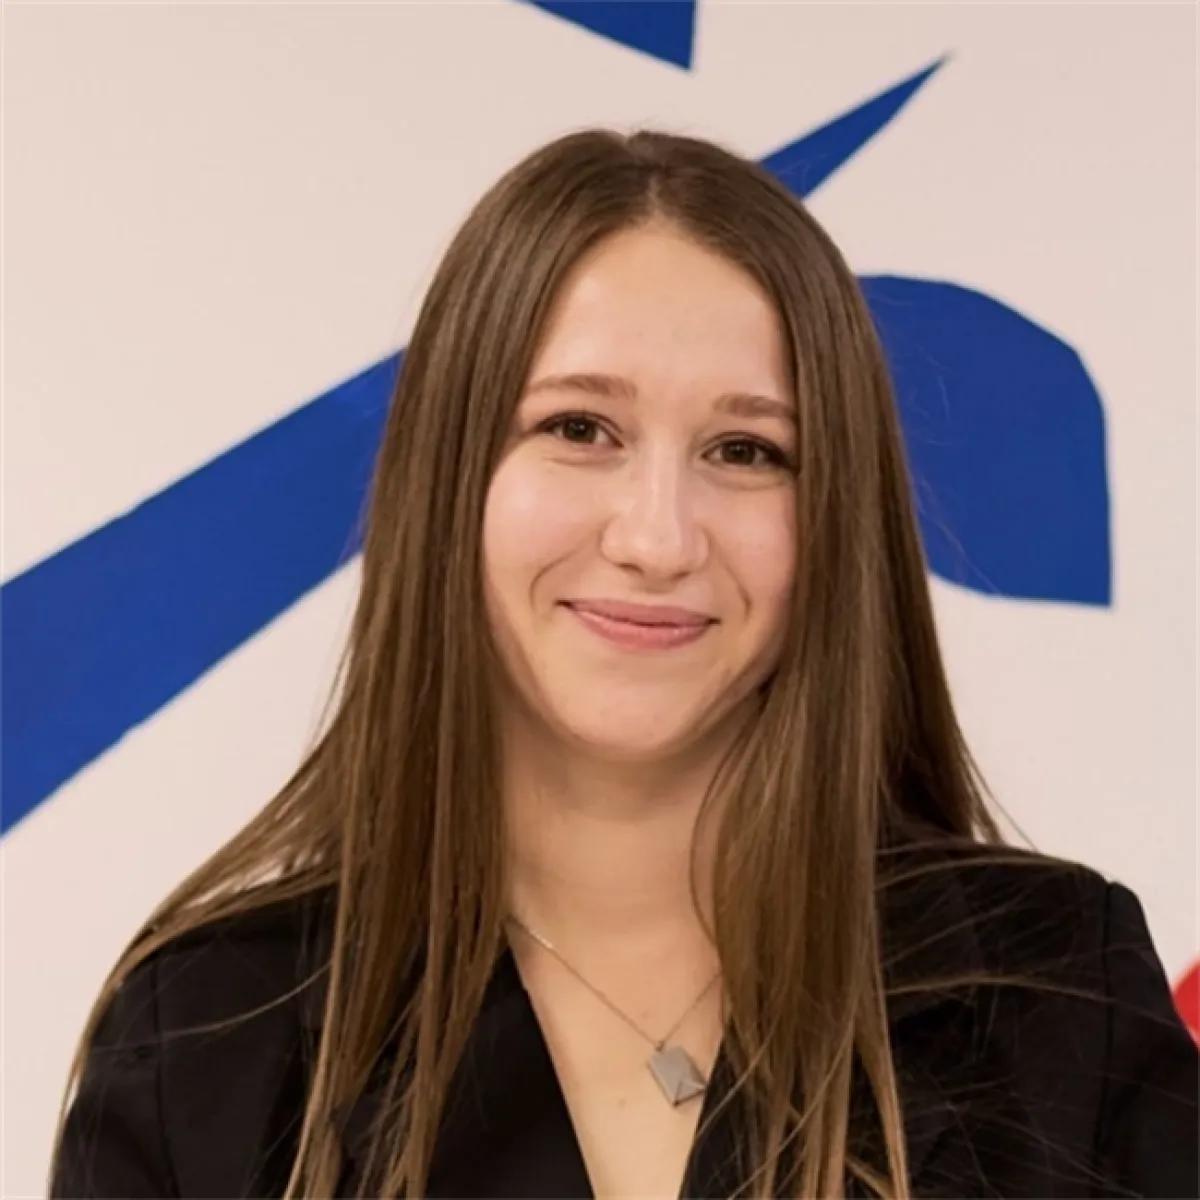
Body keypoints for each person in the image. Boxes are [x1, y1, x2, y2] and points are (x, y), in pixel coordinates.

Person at [48, 128, 1199, 1200]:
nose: (657, 538)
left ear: (836, 518)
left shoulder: (1061, 992)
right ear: (450, 476)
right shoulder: (208, 1031)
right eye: (579, 429)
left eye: (746, 449)